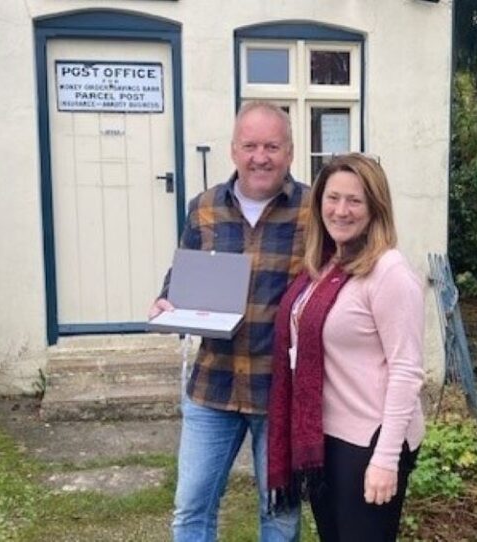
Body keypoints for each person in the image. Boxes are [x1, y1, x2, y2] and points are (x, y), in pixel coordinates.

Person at [148, 101, 308, 542]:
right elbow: (183, 275)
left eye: (272, 146)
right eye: (251, 145)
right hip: (213, 385)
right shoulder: (202, 208)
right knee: (191, 508)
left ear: (290, 152)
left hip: (281, 391)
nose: (261, 156)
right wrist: (167, 299)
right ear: (233, 151)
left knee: (280, 514)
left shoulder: (315, 211)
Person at [267, 153, 426, 541]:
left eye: (354, 201)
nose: (341, 211)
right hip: (326, 439)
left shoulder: (389, 273)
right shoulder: (324, 267)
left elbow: (407, 369)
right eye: (332, 198)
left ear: (375, 208)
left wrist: (386, 458)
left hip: (369, 441)